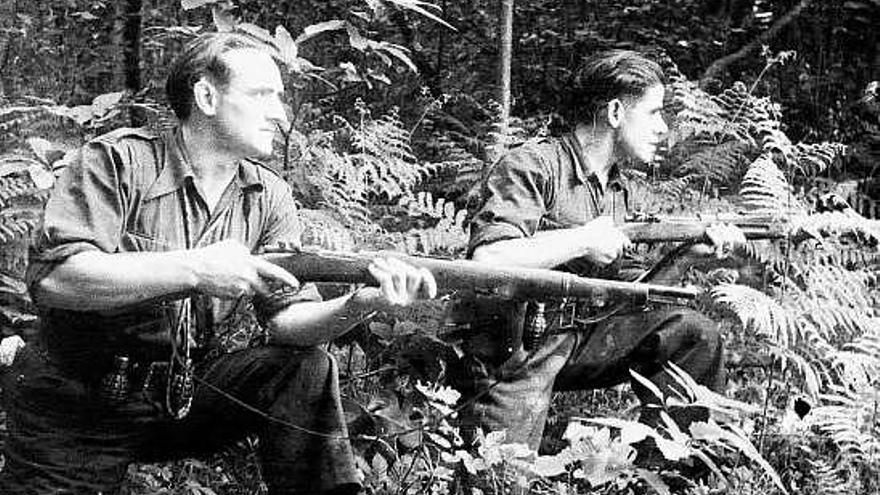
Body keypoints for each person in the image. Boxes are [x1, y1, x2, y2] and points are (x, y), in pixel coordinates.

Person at [0, 32, 437, 494]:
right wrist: (195, 268)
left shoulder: (269, 195)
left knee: (305, 367)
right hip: (75, 405)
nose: (280, 114)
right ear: (206, 96)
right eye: (261, 95)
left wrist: (359, 303)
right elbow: (57, 280)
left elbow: (287, 321)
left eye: (281, 98)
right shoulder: (118, 161)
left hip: (180, 399)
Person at [457, 49, 744, 451]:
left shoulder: (616, 188)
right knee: (501, 476)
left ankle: (666, 473)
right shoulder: (532, 166)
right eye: (653, 112)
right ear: (614, 112)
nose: (663, 128)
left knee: (692, 334)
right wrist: (583, 239)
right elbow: (490, 260)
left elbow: (630, 298)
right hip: (516, 352)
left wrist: (686, 256)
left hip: (582, 338)